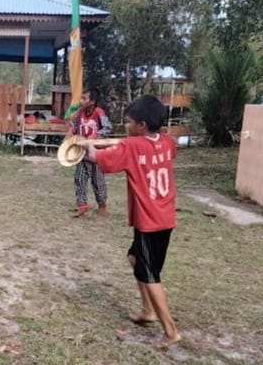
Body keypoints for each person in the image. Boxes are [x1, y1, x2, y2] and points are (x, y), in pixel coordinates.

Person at [81, 95, 181, 349]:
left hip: (150, 221)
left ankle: (170, 331)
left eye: (129, 122)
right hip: (164, 217)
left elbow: (98, 158)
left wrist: (88, 146)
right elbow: (164, 147)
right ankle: (148, 311)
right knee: (135, 259)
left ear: (143, 125)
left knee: (150, 275)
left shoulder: (132, 147)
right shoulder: (167, 142)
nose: (125, 126)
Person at [68, 88, 113, 217]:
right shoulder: (80, 112)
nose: (81, 101)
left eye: (84, 98)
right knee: (79, 179)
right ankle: (82, 206)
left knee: (97, 181)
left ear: (92, 101)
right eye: (81, 98)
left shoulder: (99, 113)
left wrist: (95, 136)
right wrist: (70, 133)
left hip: (97, 154)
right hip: (82, 153)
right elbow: (73, 125)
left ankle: (102, 205)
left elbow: (108, 127)